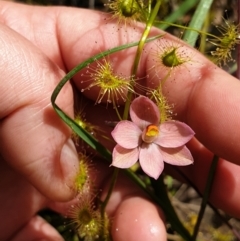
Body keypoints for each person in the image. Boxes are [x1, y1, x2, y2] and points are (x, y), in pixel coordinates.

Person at [0, 1, 240, 241]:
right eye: (151, 131)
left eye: (153, 132)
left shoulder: (167, 143)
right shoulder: (138, 116)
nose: (151, 133)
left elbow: (176, 149)